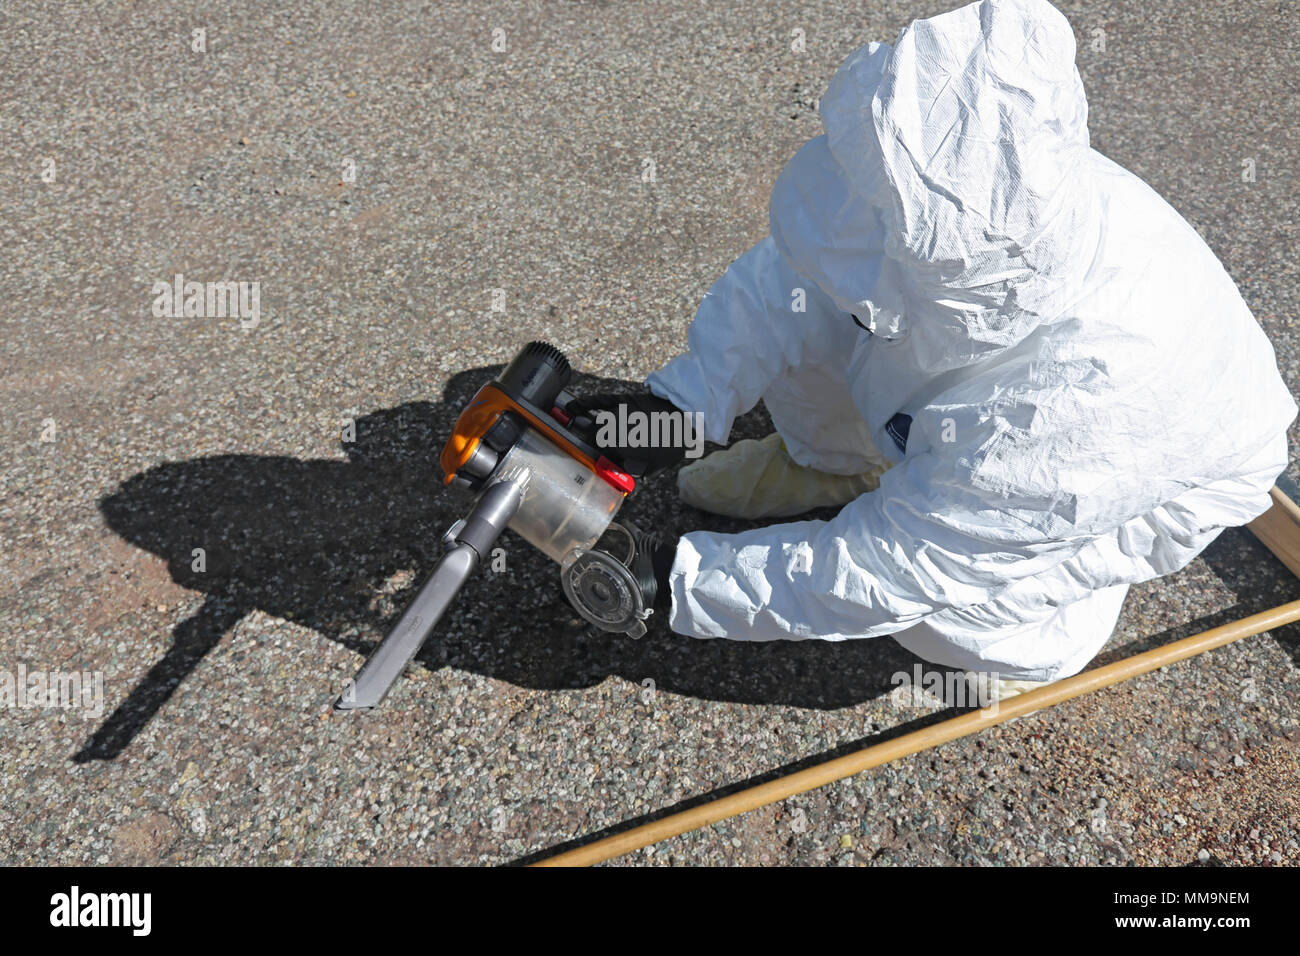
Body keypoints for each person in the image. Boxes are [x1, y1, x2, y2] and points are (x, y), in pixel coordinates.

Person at [573, 0, 1297, 699]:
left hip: (1158, 477)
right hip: (993, 361)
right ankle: (832, 469)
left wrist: (681, 584)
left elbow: (897, 568)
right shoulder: (969, 184)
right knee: (833, 317)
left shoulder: (1069, 416)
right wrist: (680, 404)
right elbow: (794, 282)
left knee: (951, 616)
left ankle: (1043, 644)